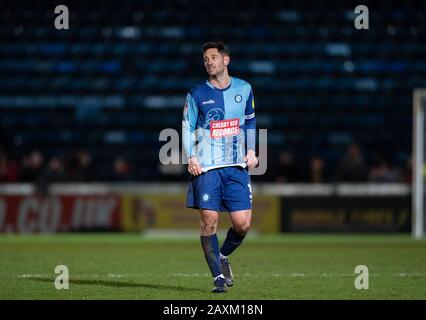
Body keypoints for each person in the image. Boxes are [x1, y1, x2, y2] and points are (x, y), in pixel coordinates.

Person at [182, 41, 258, 293]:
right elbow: (186, 127)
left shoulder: (244, 89)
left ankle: (223, 256)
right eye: (205, 58)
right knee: (209, 221)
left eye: (213, 57)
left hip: (236, 166)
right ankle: (217, 278)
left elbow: (249, 122)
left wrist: (251, 150)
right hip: (207, 167)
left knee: (243, 224)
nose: (209, 62)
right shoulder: (196, 93)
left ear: (226, 60)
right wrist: (191, 157)